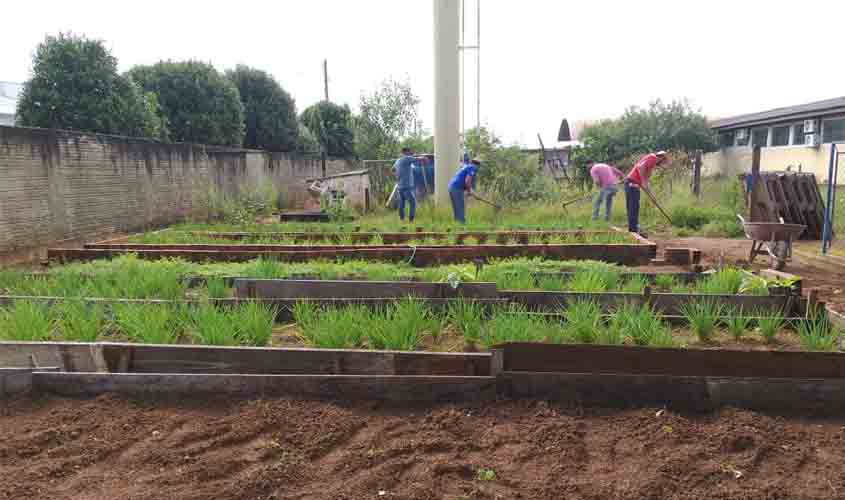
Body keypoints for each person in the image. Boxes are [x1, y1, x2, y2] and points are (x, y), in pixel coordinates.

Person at [624, 150, 667, 234]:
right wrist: (643, 181)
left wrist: (652, 196)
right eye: (663, 161)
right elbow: (640, 167)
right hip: (632, 183)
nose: (661, 164)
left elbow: (646, 182)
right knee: (633, 207)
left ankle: (633, 229)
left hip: (632, 183)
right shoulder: (653, 157)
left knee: (633, 207)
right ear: (661, 158)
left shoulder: (651, 162)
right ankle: (634, 230)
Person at [448, 158, 480, 224]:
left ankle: (457, 225)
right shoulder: (472, 168)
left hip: (452, 187)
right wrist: (470, 191)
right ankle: (461, 225)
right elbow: (467, 181)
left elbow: (467, 183)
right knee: (460, 208)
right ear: (477, 165)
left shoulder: (467, 166)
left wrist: (471, 192)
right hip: (457, 188)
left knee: (457, 208)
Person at [393, 147, 416, 223]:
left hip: (400, 186)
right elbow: (419, 159)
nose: (410, 154)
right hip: (407, 186)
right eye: (409, 152)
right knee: (413, 203)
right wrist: (424, 158)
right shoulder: (406, 158)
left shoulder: (397, 161)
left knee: (401, 204)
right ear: (406, 152)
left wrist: (397, 177)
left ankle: (401, 219)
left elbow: (392, 169)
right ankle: (411, 221)